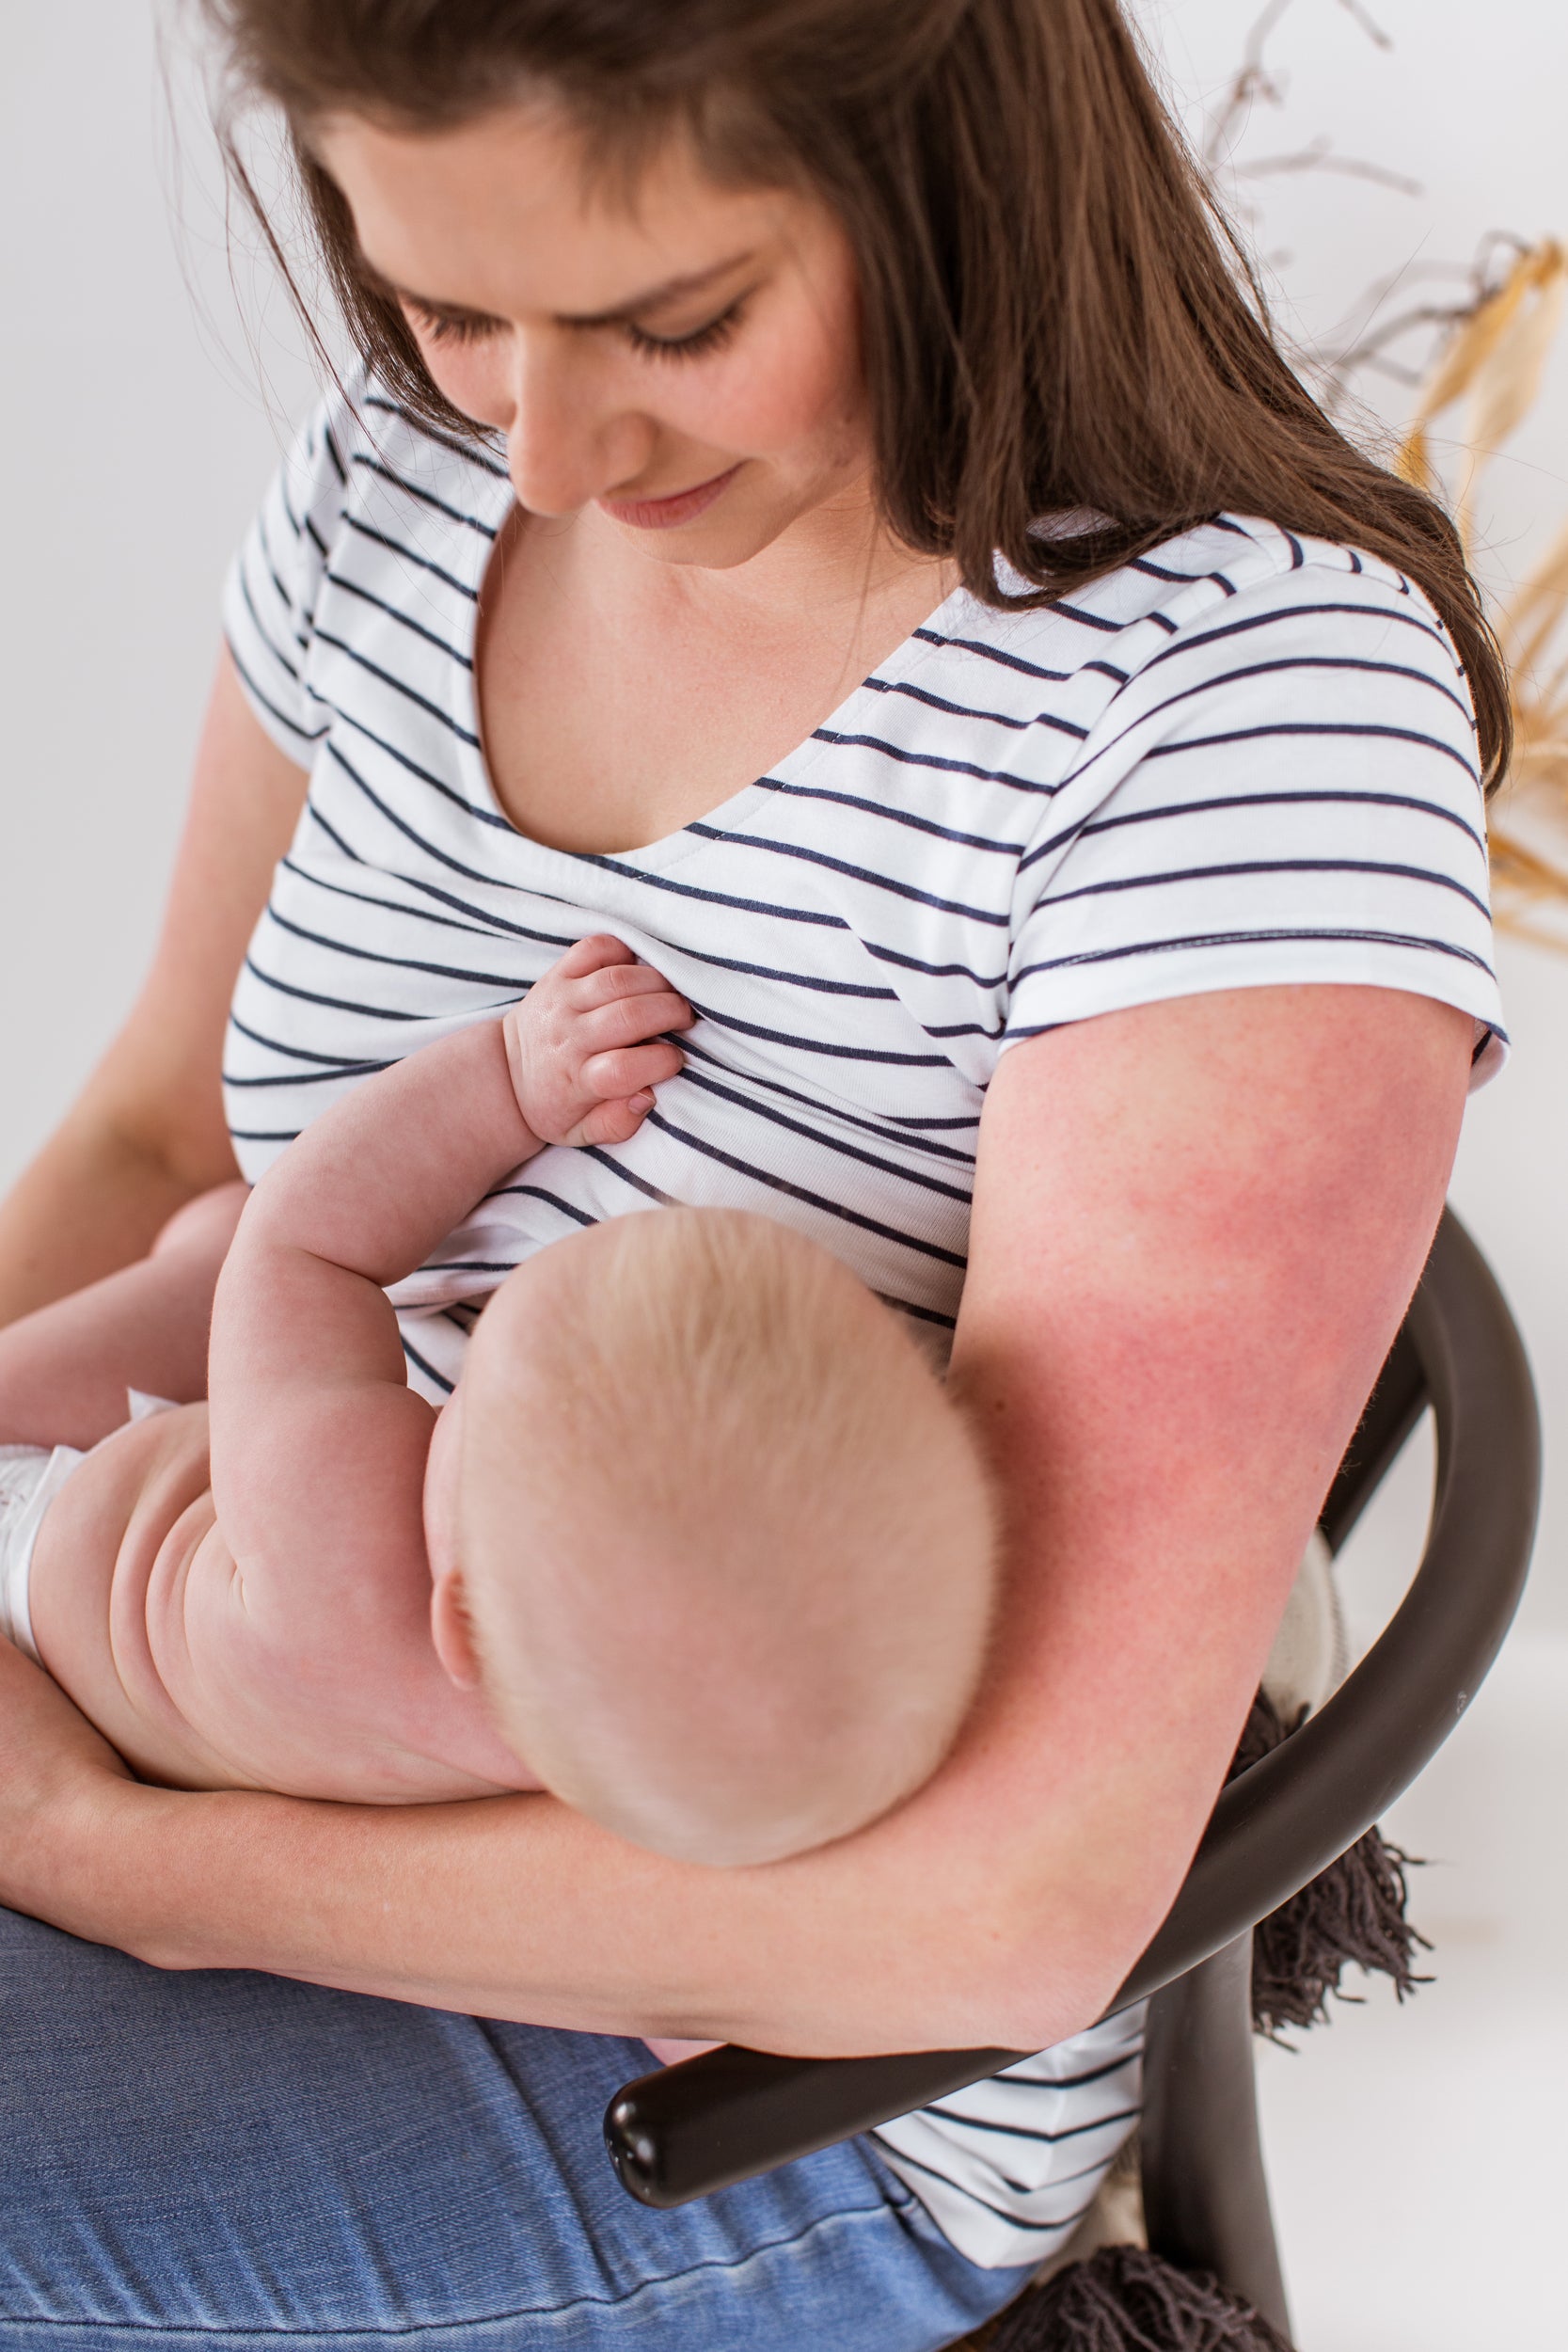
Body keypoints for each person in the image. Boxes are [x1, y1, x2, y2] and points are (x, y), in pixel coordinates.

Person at [0, 0, 1505, 2342]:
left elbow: (1009, 1901)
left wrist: (126, 1861)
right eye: (451, 305)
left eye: (674, 321)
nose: (554, 448)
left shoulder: (1235, 715)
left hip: (759, 2066)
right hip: (217, 1686)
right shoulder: (398, 493)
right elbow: (150, 1145)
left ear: (945, 169)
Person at [0, 932, 997, 1864]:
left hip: (40, 1540)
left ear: (462, 1619)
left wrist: (510, 1083)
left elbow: (304, 1246)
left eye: (472, 1392)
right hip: (212, 1693)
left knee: (225, 1251)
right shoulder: (640, 1752)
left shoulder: (339, 1558)